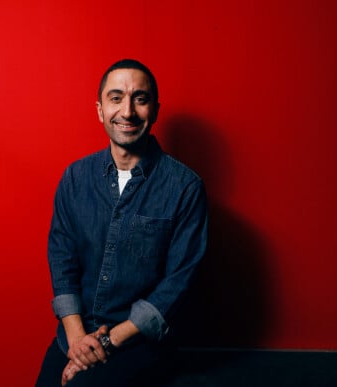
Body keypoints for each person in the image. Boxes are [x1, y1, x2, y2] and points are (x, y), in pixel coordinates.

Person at [35, 59, 208, 387]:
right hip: (76, 335)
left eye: (139, 99)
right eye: (116, 98)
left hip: (139, 342)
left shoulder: (185, 187)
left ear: (154, 111)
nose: (127, 111)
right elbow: (62, 262)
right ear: (100, 110)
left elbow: (177, 285)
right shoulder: (75, 178)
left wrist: (106, 342)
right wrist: (77, 341)